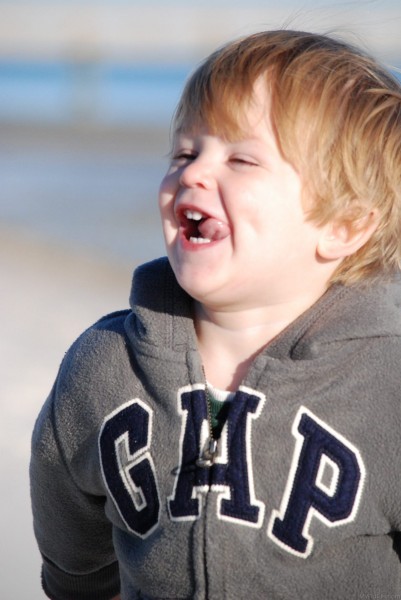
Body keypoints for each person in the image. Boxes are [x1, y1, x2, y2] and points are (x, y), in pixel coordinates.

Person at [30, 29, 401, 599]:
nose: (194, 173)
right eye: (184, 152)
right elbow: (71, 541)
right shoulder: (105, 367)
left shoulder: (384, 383)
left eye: (241, 158)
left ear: (343, 226)